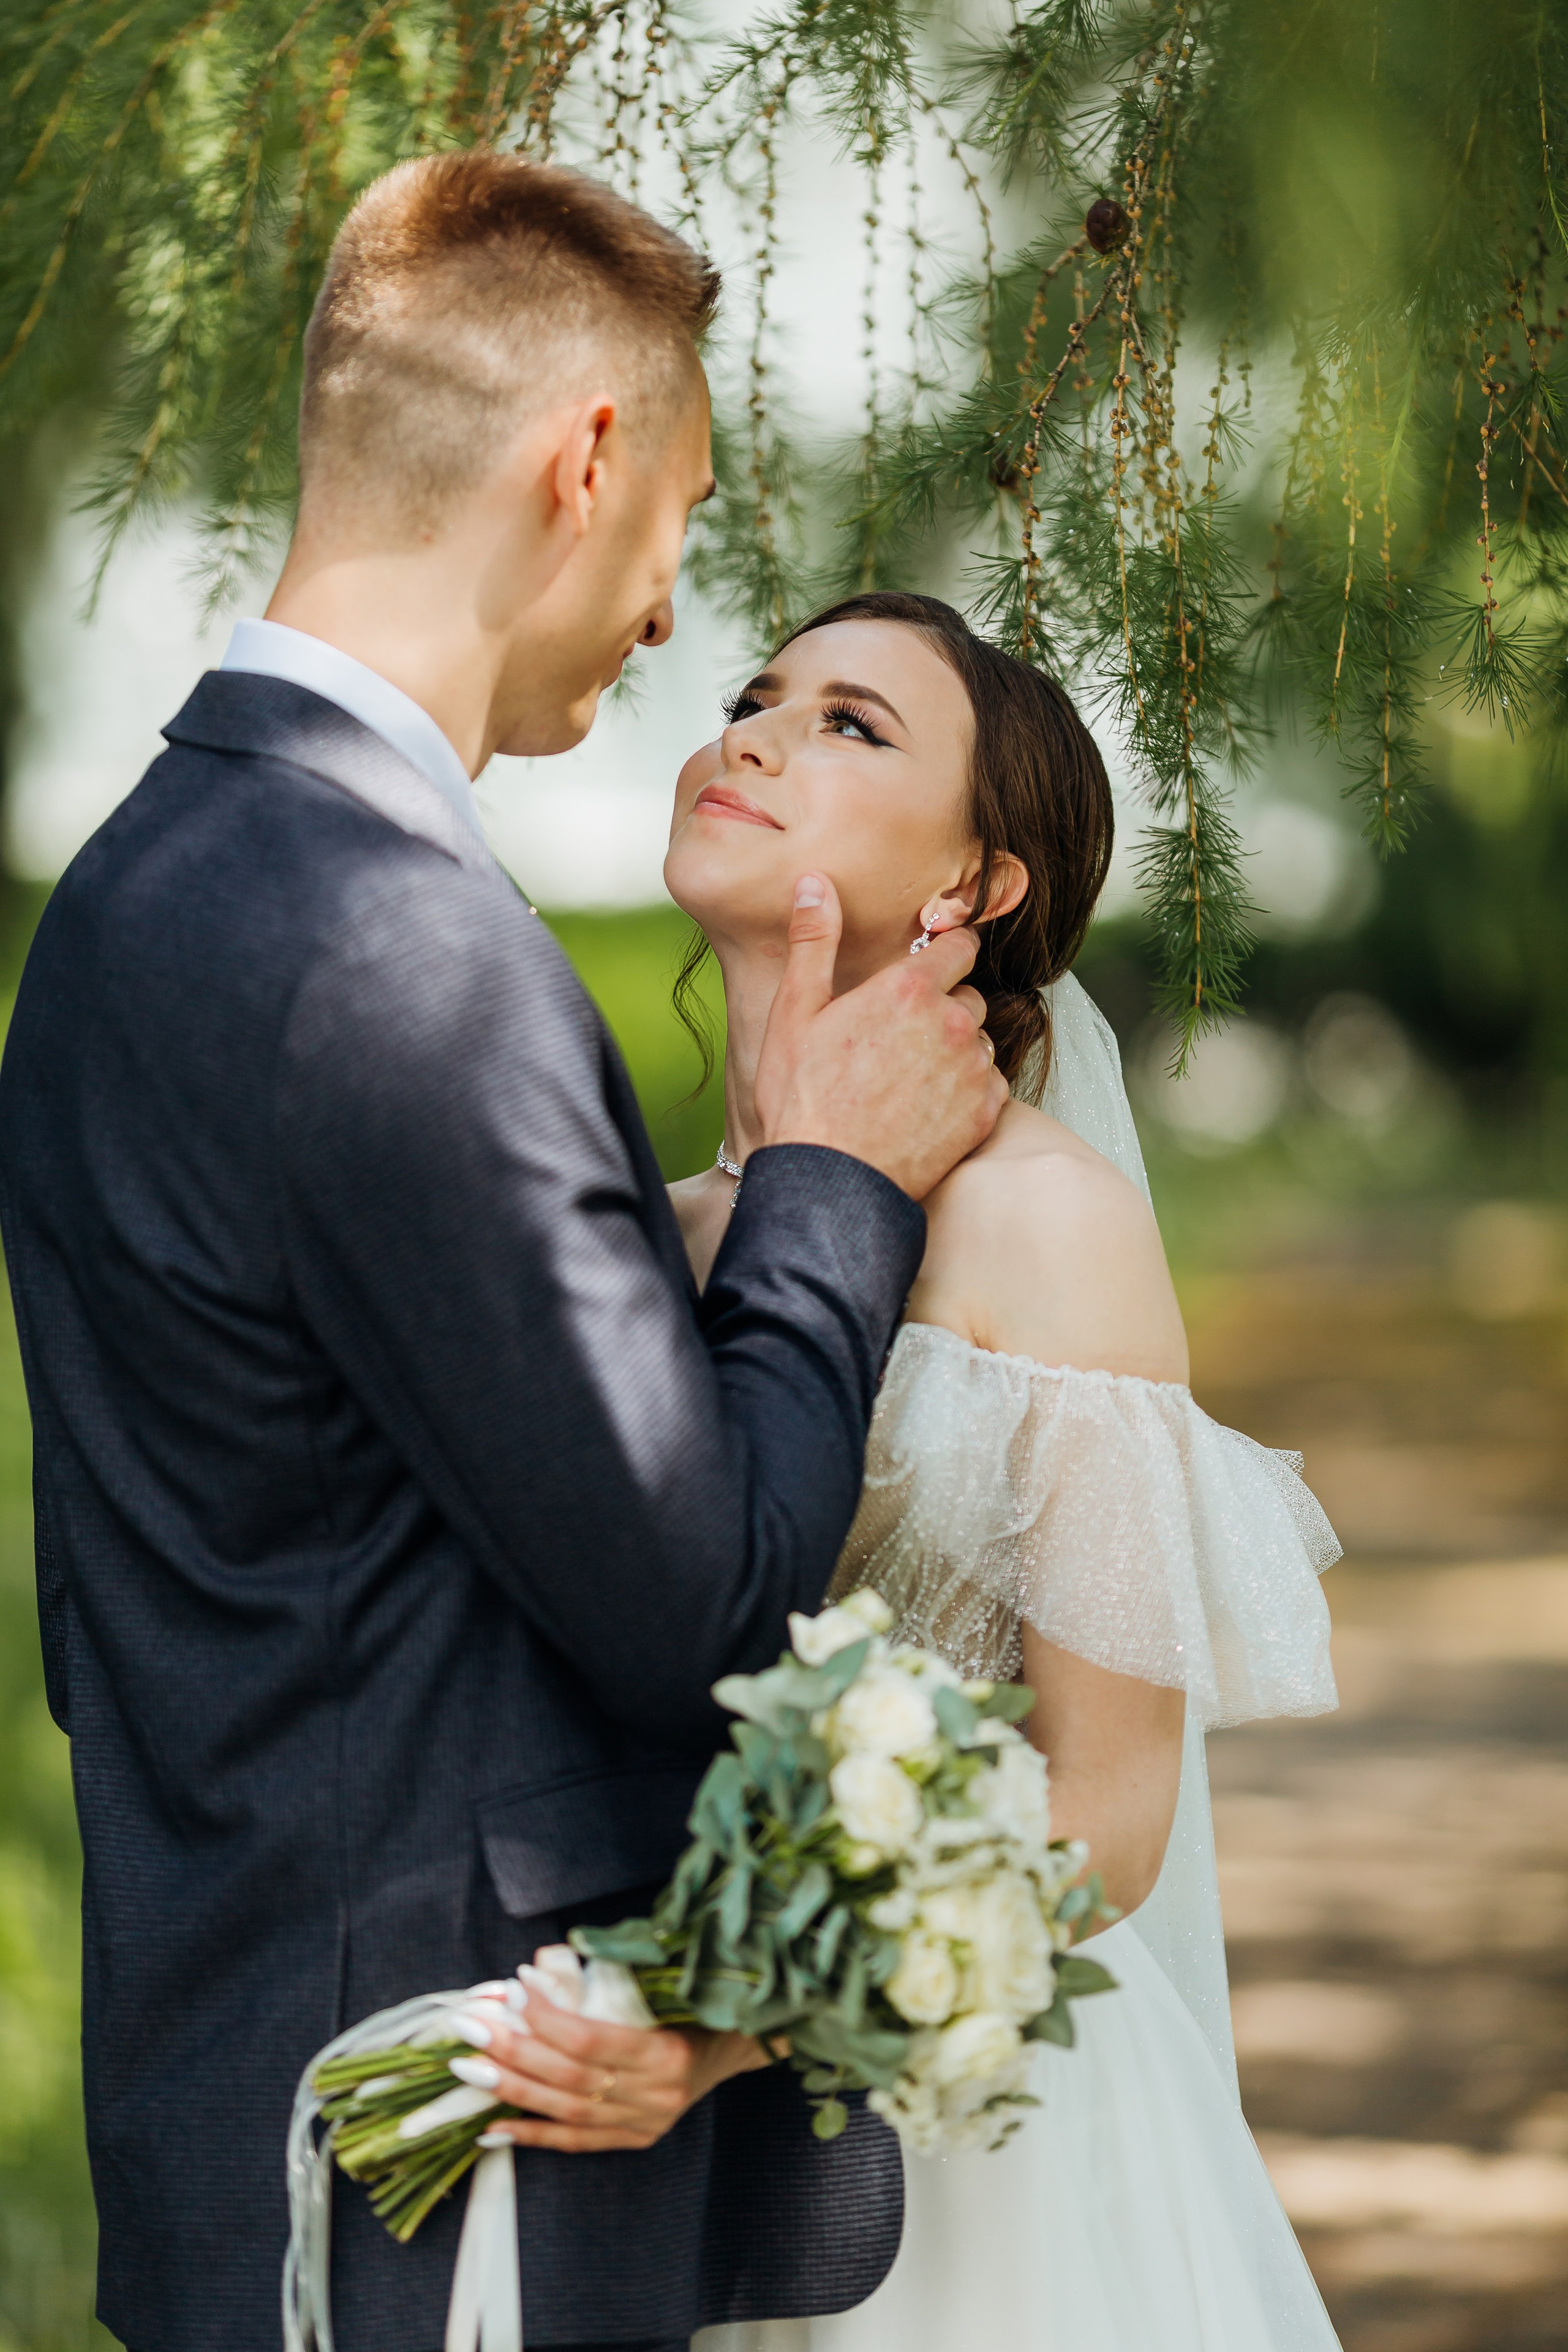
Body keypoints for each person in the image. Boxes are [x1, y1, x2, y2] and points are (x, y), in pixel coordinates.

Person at [0, 170, 1008, 2352]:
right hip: (433, 2172)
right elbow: (695, 1594)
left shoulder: (126, 894)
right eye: (684, 521)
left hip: (227, 2067)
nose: (668, 621)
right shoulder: (400, 945)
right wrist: (829, 1180)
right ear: (588, 461)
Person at [581, 588, 1340, 2349]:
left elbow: (1108, 1817)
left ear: (979, 886)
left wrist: (733, 2022)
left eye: (852, 724)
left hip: (960, 2150)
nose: (753, 735)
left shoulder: (1045, 1227)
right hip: (634, 2134)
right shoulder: (639, 1227)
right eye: (756, 697)